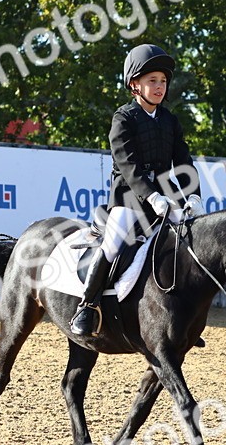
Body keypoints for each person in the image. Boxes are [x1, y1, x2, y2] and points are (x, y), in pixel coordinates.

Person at [69, 44, 205, 337]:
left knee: (190, 242)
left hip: (166, 199)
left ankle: (185, 315)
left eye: (163, 81)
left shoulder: (170, 120)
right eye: (152, 81)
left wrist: (194, 195)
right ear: (135, 84)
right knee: (114, 244)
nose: (159, 87)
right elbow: (127, 165)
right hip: (129, 199)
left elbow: (183, 160)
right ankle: (87, 306)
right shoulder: (124, 118)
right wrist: (152, 195)